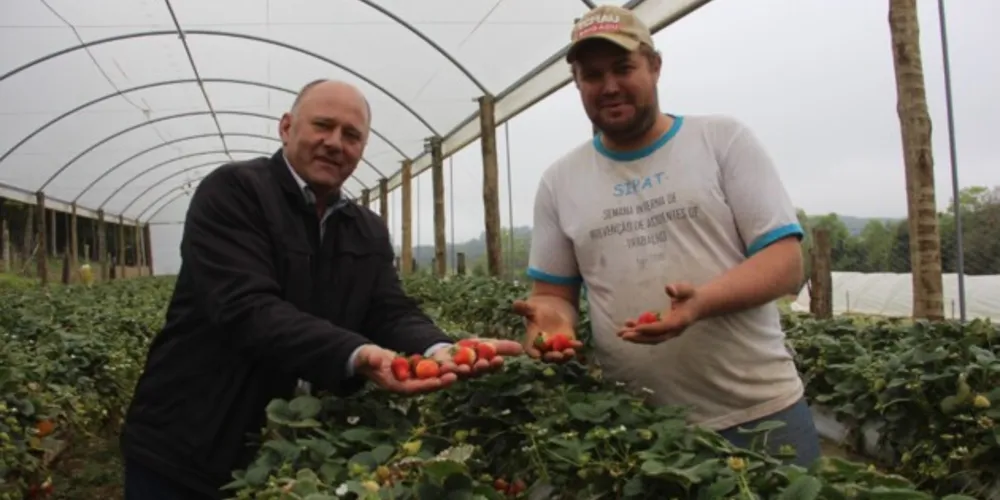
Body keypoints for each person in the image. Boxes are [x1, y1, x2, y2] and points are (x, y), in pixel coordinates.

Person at [119, 79, 523, 499]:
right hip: (189, 442)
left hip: (293, 453)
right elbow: (247, 309)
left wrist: (439, 349)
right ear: (287, 127)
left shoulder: (365, 228)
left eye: (351, 135)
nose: (335, 143)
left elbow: (388, 309)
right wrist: (356, 354)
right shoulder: (235, 191)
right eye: (323, 126)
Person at [511, 5, 821, 466]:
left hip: (759, 413)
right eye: (592, 75)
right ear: (576, 83)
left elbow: (784, 263)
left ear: (654, 66)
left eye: (623, 67)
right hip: (636, 426)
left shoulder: (721, 140)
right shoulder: (560, 181)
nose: (610, 85)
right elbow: (553, 295)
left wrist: (700, 304)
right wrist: (552, 324)